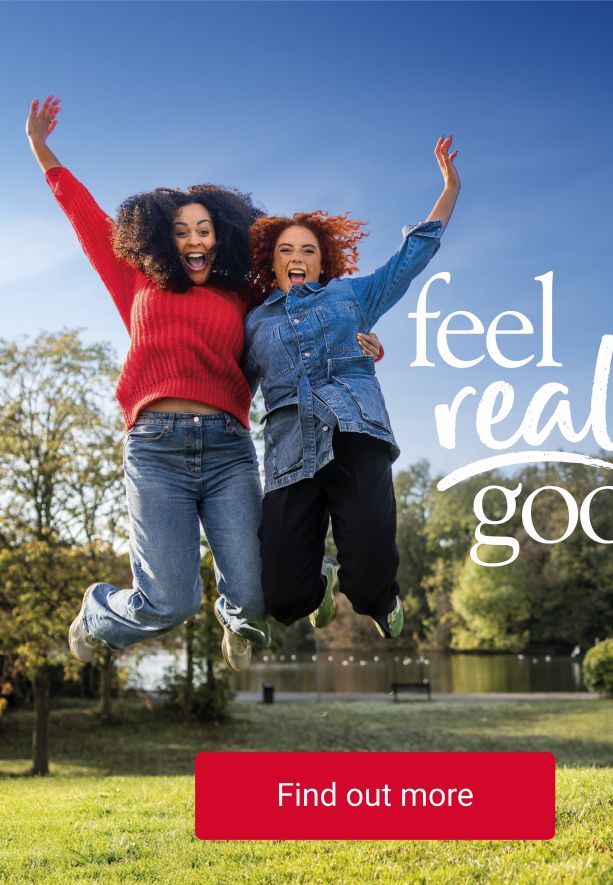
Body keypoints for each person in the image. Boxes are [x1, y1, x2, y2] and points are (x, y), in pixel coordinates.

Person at [25, 95, 383, 672]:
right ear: (164, 238)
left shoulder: (244, 295)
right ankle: (98, 613)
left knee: (256, 594)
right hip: (156, 449)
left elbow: (310, 317)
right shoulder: (135, 281)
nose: (195, 240)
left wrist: (361, 345)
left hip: (228, 452)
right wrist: (43, 150)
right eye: (182, 231)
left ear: (222, 237)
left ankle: (242, 621)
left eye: (206, 230)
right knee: (168, 602)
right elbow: (85, 218)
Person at [244, 135, 460, 639]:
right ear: (273, 262)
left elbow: (410, 260)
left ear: (323, 262)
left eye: (308, 250)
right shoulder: (253, 322)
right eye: (286, 250)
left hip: (354, 430)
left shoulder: (352, 295)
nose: (297, 257)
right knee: (282, 599)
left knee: (367, 586)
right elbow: (230, 381)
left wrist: (448, 191)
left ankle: (380, 597)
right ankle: (319, 581)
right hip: (289, 450)